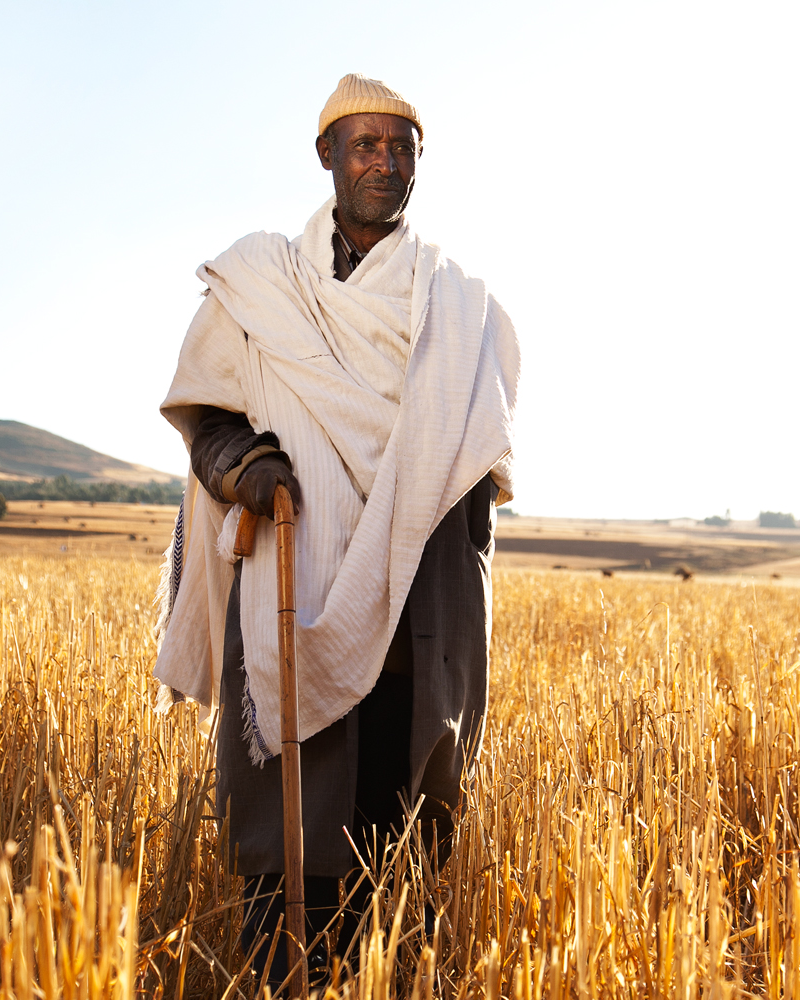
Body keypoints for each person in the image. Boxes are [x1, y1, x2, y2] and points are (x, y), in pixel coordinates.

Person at [151, 73, 520, 985]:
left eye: (402, 148)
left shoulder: (462, 309)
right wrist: (246, 467)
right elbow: (207, 414)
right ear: (327, 157)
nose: (384, 164)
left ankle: (388, 971)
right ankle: (284, 971)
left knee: (402, 816)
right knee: (292, 819)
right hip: (295, 574)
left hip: (417, 592)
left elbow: (486, 454)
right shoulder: (261, 285)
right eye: (365, 145)